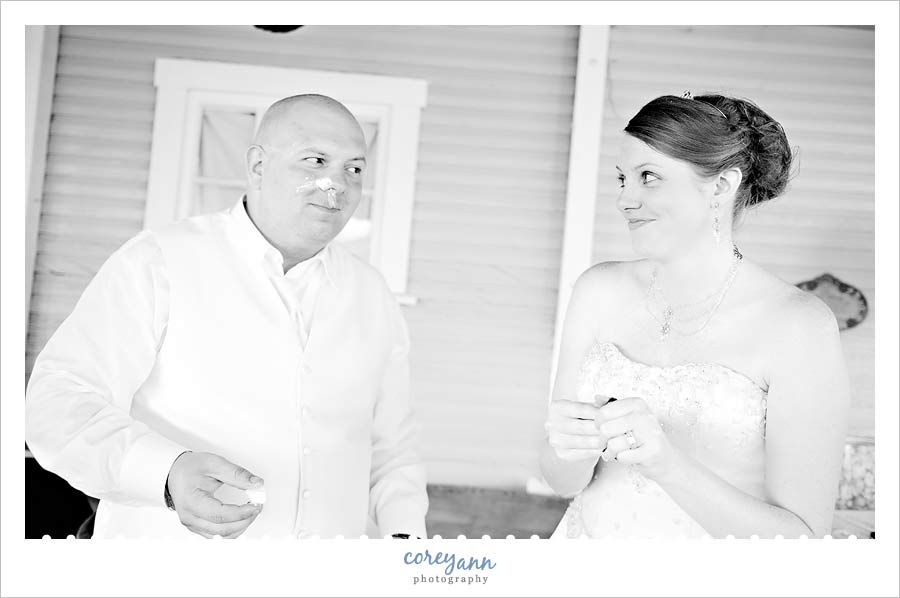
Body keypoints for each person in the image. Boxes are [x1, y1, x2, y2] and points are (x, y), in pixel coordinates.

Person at [25, 94, 428, 539]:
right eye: (315, 160)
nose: (338, 184)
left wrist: (404, 543)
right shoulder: (158, 262)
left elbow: (392, 447)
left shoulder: (372, 294)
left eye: (354, 168)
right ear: (257, 165)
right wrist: (164, 472)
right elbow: (58, 403)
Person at [540, 93, 850, 538]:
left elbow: (801, 540)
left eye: (649, 177)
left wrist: (668, 466)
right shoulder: (597, 290)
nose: (625, 199)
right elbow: (559, 480)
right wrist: (574, 448)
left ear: (721, 187)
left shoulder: (799, 326)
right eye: (621, 178)